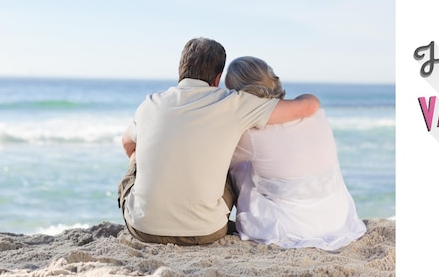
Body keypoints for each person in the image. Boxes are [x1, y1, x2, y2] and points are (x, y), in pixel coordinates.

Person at [117, 37, 320, 246]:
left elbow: (127, 144)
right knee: (231, 163)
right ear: (217, 77)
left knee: (136, 154)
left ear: (180, 69)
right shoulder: (234, 103)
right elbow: (308, 107)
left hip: (142, 229)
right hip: (207, 231)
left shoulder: (150, 104)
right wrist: (309, 95)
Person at [225, 56, 366, 250]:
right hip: (337, 216)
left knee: (238, 167)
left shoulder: (250, 133)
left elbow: (226, 164)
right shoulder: (315, 113)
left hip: (291, 227)